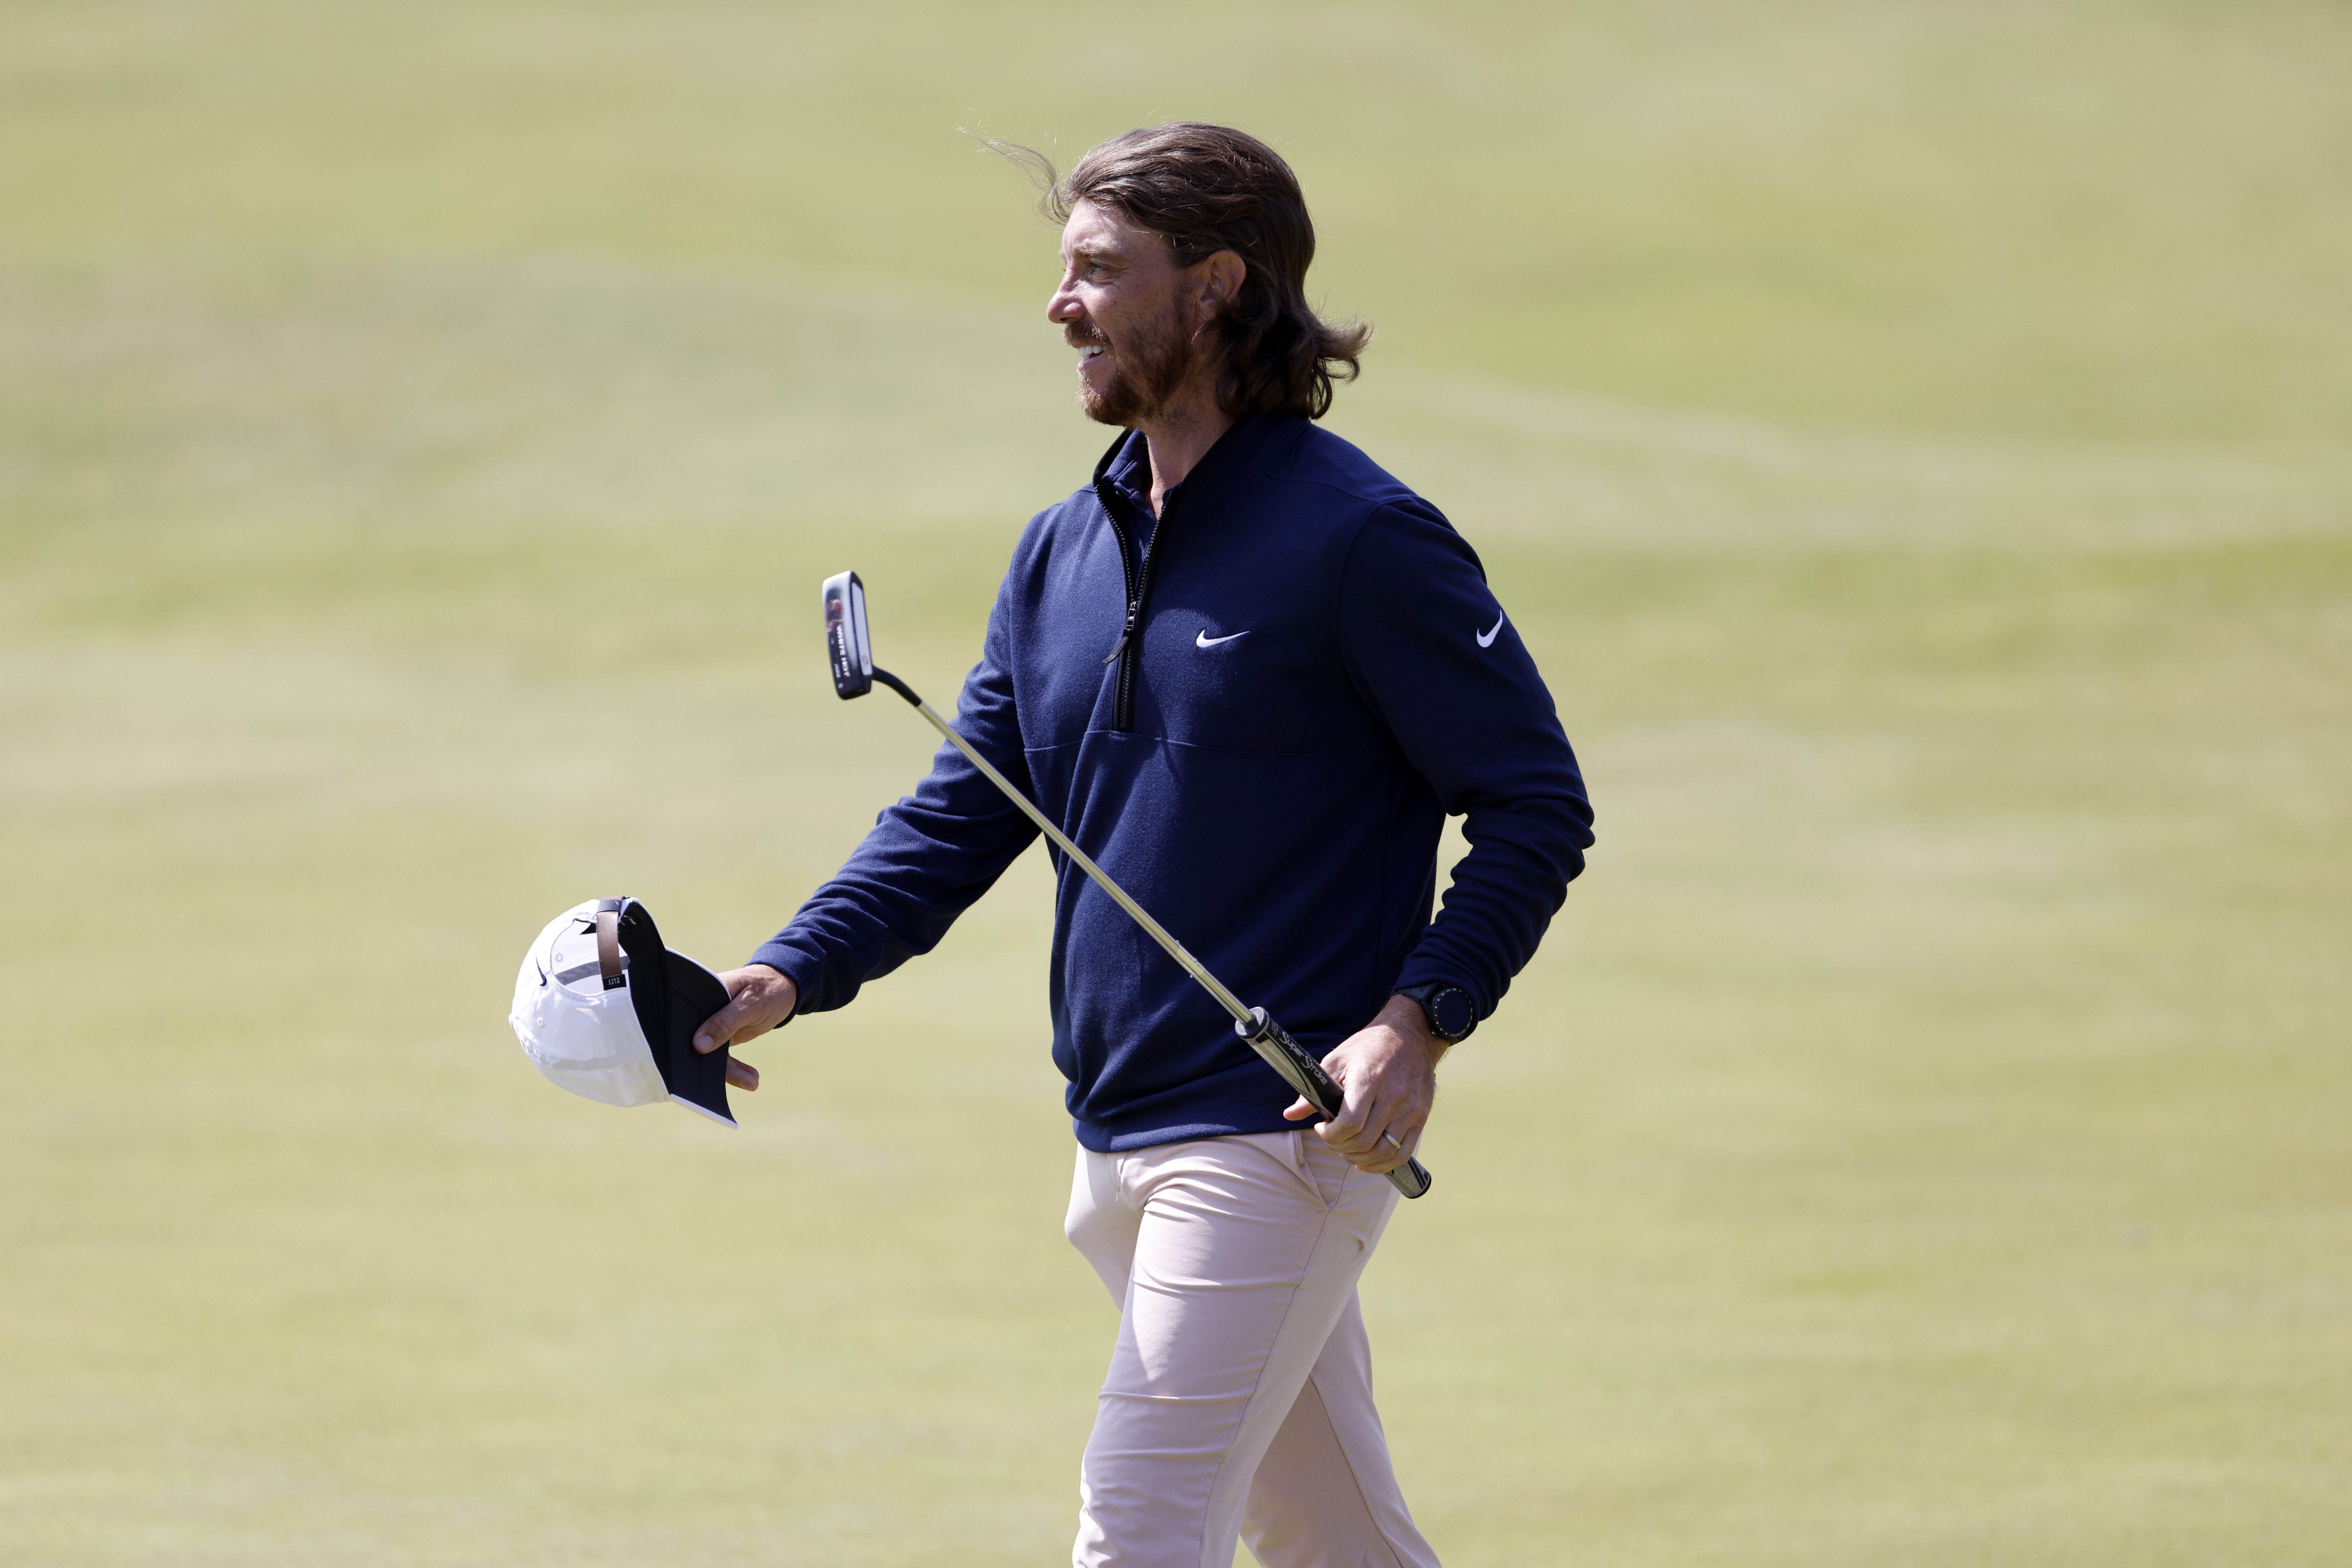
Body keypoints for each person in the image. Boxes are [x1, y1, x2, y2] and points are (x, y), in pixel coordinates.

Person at [692, 123, 1593, 1568]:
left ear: (1219, 285)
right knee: (1333, 1539)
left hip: (1272, 1143)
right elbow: (964, 811)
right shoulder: (1065, 544)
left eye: (1101, 271)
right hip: (1112, 1136)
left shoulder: (1362, 539)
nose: (1062, 307)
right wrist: (787, 971)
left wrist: (1416, 1023)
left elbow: (1537, 802)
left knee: (1139, 1528)